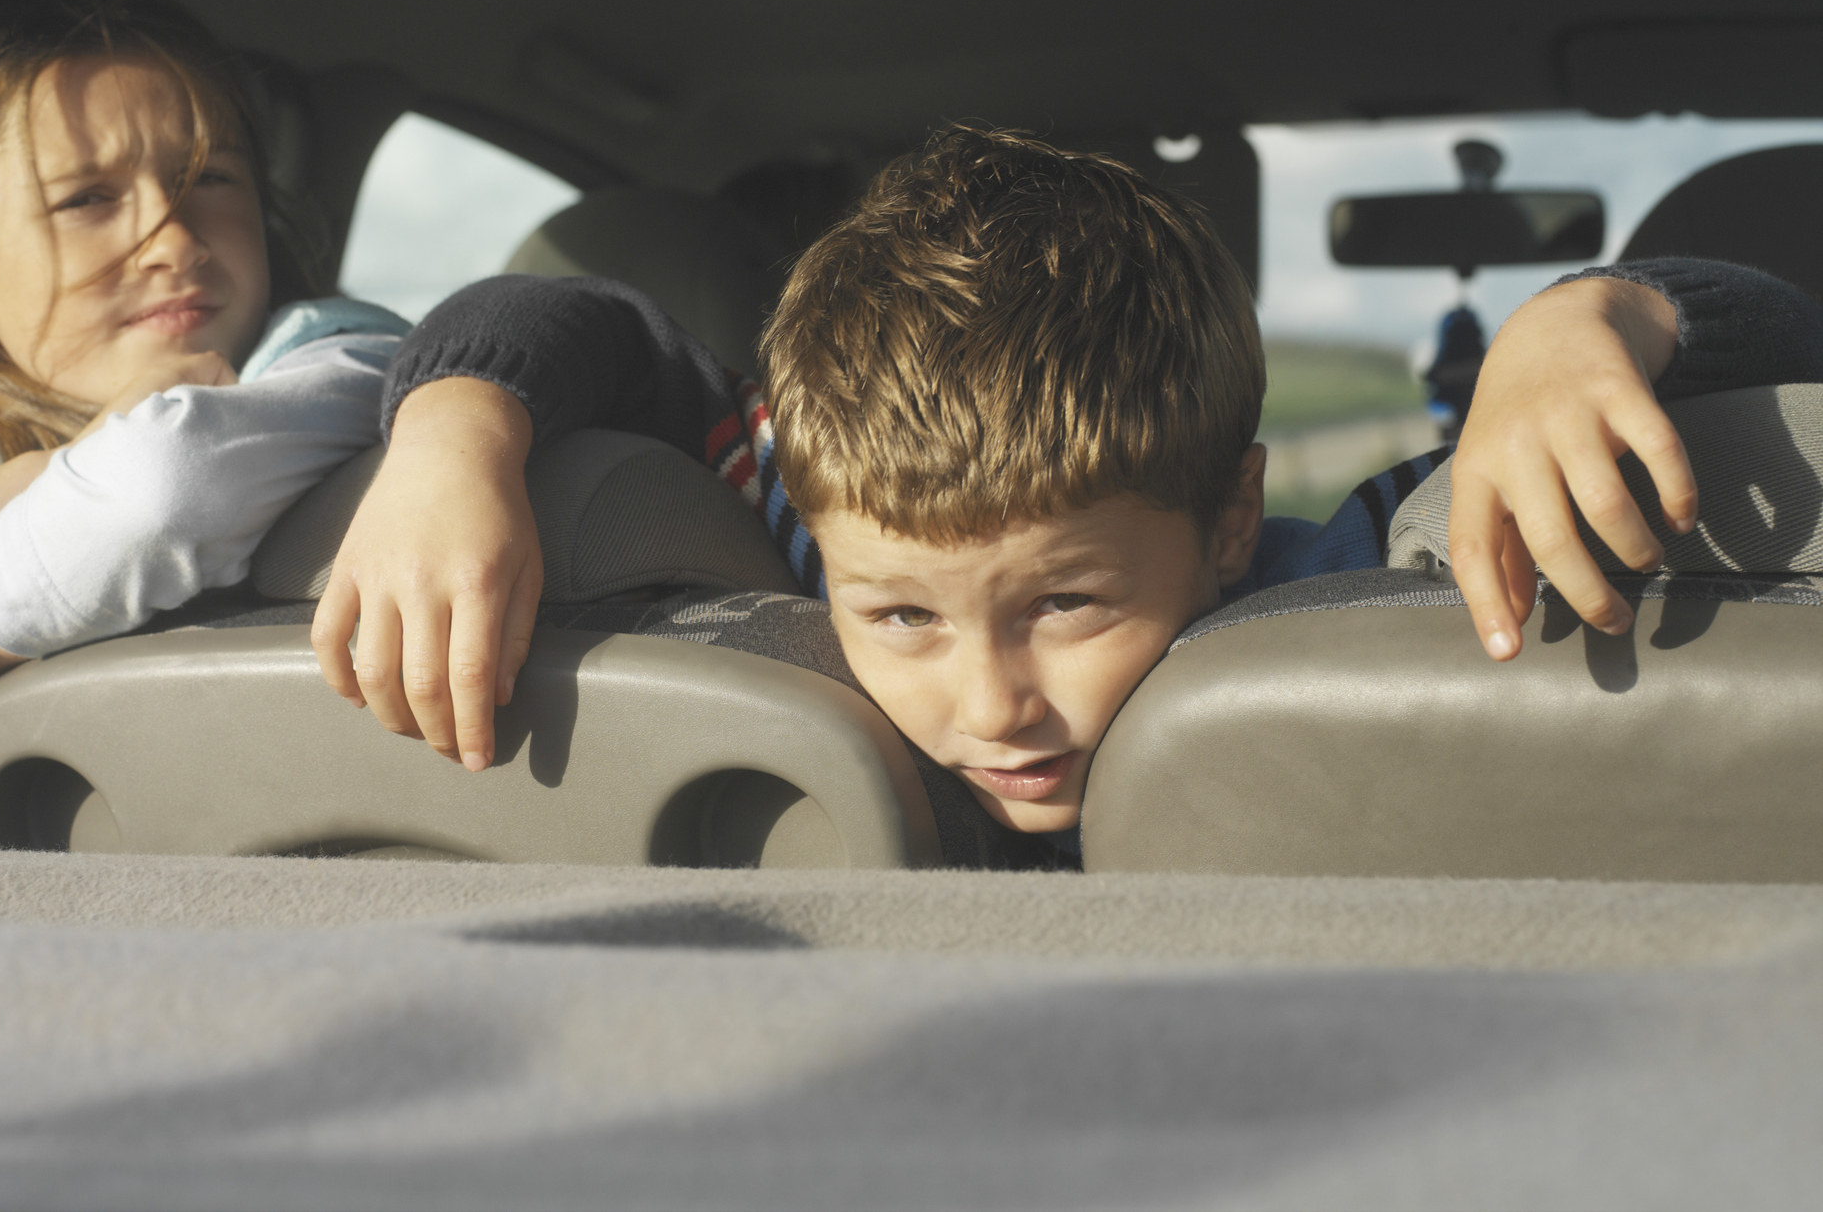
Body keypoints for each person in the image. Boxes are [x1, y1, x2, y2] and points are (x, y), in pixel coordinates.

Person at [312, 126, 1823, 840]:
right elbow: (613, 337)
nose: (989, 702)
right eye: (897, 615)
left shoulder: (1349, 574)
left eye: (1069, 601)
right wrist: (456, 427)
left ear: (1230, 521)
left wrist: (1591, 320)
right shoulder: (790, 524)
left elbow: (1777, 340)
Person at [0, 0, 404, 746]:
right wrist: (45, 468)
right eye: (88, 198)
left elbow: (161, 486)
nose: (174, 241)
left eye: (209, 178)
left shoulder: (340, 363)